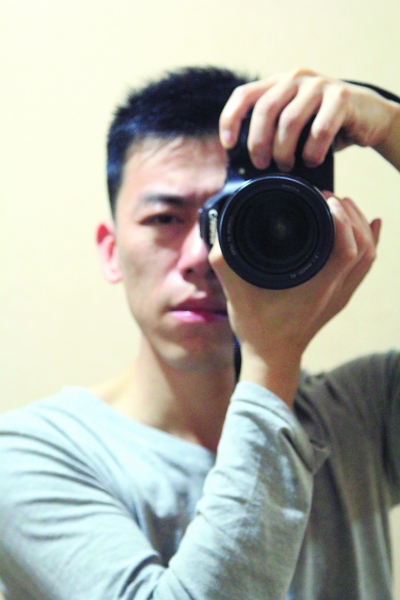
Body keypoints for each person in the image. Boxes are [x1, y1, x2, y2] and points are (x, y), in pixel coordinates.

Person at [0, 66, 399, 600]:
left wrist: (391, 125)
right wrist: (271, 359)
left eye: (231, 214)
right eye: (165, 219)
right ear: (111, 252)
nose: (202, 256)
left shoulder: (363, 413)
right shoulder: (33, 456)